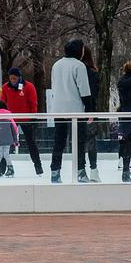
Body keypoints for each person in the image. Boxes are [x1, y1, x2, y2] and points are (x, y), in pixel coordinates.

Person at [47, 38, 97, 184]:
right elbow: (84, 90)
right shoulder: (79, 65)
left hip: (58, 108)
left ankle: (55, 172)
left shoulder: (56, 65)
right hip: (75, 109)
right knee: (79, 141)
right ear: (79, 51)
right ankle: (80, 171)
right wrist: (90, 110)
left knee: (59, 141)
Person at [0, 67, 42, 176]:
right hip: (11, 119)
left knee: (31, 143)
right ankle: (2, 168)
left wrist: (33, 118)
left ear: (19, 77)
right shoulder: (5, 87)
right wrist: (2, 116)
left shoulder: (29, 87)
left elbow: (33, 103)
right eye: (11, 78)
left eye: (14, 78)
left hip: (26, 119)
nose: (12, 80)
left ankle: (38, 167)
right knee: (5, 144)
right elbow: (3, 103)